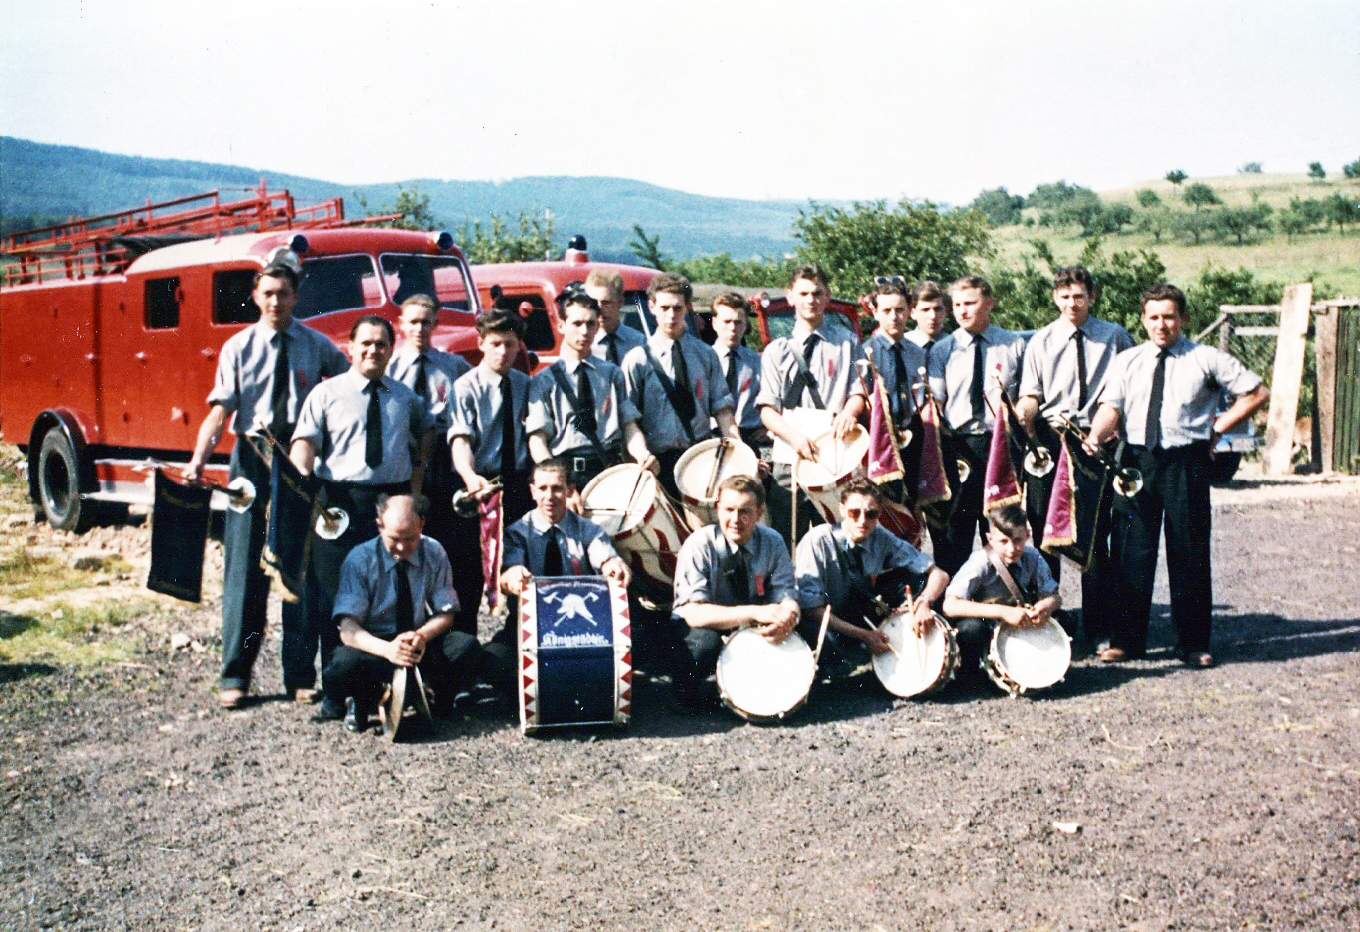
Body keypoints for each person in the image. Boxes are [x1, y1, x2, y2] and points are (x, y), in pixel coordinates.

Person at [183, 259, 348, 710]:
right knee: (244, 570)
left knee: (299, 572)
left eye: (285, 294)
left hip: (298, 464)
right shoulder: (237, 347)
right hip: (251, 463)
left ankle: (299, 675)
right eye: (268, 293)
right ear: (256, 297)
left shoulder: (318, 346)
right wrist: (199, 459)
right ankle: (235, 675)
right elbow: (220, 411)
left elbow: (348, 387)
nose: (276, 301)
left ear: (296, 297)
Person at [1086, 283, 1268, 668]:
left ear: (1183, 318)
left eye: (1169, 316)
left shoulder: (1206, 358)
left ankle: (1192, 643)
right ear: (1143, 320)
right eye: (1154, 317)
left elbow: (1255, 392)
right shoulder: (1128, 360)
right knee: (1130, 551)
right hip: (1136, 462)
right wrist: (1094, 435)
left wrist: (1218, 428)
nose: (1162, 324)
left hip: (1187, 462)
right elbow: (1111, 407)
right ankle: (1127, 640)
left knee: (1189, 551)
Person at [291, 315, 435, 711]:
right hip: (338, 503)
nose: (374, 350)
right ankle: (336, 690)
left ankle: (379, 687)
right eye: (366, 343)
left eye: (382, 344)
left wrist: (418, 472)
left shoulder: (404, 397)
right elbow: (304, 442)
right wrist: (301, 474)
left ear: (392, 350)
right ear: (350, 348)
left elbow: (428, 429)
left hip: (391, 502)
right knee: (333, 593)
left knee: (386, 590)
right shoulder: (326, 394)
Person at [1014, 266, 1134, 651]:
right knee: (1046, 533)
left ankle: (1099, 629)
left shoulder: (1115, 337)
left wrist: (1106, 430)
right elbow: (1032, 394)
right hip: (1050, 442)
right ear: (1054, 298)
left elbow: (1128, 388)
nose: (1071, 303)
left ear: (1091, 297)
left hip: (1095, 440)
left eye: (1078, 296)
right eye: (1064, 296)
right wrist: (1023, 414)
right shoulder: (1041, 341)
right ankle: (1051, 624)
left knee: (1095, 537)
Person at [317, 494, 482, 732]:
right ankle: (364, 699)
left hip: (415, 641)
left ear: (422, 525)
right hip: (376, 645)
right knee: (343, 663)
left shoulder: (434, 552)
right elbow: (348, 628)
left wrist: (422, 636)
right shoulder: (359, 559)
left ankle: (434, 696)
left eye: (411, 538)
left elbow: (446, 613)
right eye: (395, 539)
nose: (403, 547)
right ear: (379, 525)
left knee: (465, 646)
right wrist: (387, 650)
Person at [485, 459, 632, 689]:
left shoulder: (587, 529)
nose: (549, 496)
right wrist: (513, 574)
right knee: (493, 662)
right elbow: (506, 575)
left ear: (570, 491)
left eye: (557, 488)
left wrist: (611, 565)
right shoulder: (517, 532)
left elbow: (602, 554)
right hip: (530, 626)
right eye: (542, 488)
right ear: (532, 491)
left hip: (582, 627)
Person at [756, 264, 868, 548]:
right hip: (789, 454)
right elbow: (767, 409)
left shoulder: (847, 342)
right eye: (804, 293)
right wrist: (793, 437)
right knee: (785, 536)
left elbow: (859, 392)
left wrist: (849, 412)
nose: (811, 300)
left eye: (817, 293)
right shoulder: (776, 350)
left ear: (828, 296)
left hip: (835, 452)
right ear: (790, 296)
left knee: (835, 538)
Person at [671, 475, 801, 709]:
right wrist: (755, 613)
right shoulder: (698, 545)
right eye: (728, 509)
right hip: (706, 627)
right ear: (717, 509)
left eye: (745, 511)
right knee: (703, 647)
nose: (735, 520)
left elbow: (786, 594)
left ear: (760, 512)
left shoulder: (773, 542)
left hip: (752, 623)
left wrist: (787, 618)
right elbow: (694, 614)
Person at [926, 276, 1026, 575]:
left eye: (970, 303)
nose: (962, 311)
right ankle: (952, 608)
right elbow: (937, 404)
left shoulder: (1014, 345)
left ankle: (1002, 603)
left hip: (1000, 445)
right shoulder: (943, 350)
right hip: (958, 446)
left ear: (989, 303)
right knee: (954, 532)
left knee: (1000, 529)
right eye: (956, 305)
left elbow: (1024, 396)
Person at [386, 294, 474, 632]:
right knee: (408, 544)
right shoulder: (390, 367)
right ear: (401, 325)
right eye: (413, 322)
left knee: (453, 550)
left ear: (436, 324)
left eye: (427, 321)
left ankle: (458, 637)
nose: (420, 328)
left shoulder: (453, 367)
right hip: (404, 462)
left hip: (447, 461)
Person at [795, 478, 949, 668]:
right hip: (828, 622)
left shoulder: (881, 537)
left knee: (917, 581)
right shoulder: (818, 540)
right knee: (831, 657)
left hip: (859, 611)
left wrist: (924, 601)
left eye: (871, 514)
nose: (862, 521)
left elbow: (939, 574)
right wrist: (865, 636)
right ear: (841, 509)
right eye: (854, 513)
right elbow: (812, 609)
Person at [525, 287, 657, 494]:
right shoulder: (544, 381)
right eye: (577, 324)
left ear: (597, 327)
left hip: (609, 471)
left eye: (590, 324)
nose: (584, 331)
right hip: (566, 475)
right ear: (561, 326)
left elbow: (629, 426)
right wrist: (558, 485)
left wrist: (642, 453)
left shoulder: (612, 374)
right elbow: (537, 441)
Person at [621, 272, 738, 497]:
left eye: (677, 308)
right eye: (664, 308)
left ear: (687, 308)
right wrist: (641, 455)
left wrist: (738, 453)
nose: (671, 315)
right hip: (657, 462)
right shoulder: (637, 360)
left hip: (700, 458)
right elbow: (629, 421)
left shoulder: (706, 355)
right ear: (652, 307)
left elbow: (723, 411)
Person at [942, 504, 1061, 675]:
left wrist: (1047, 606)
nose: (1011, 549)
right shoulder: (980, 561)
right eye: (1003, 541)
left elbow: (1055, 597)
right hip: (987, 622)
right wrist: (1003, 612)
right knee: (970, 630)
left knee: (1063, 621)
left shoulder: (1033, 557)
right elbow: (950, 606)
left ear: (1027, 536)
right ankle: (972, 673)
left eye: (1018, 540)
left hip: (1020, 623)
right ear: (990, 539)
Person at [863, 278, 928, 435]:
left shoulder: (918, 353)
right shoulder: (866, 352)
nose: (894, 317)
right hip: (880, 431)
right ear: (875, 313)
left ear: (909, 311)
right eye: (886, 311)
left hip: (914, 429)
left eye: (899, 310)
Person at [709, 291, 767, 451]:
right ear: (714, 323)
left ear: (746, 324)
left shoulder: (757, 361)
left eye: (738, 322)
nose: (732, 328)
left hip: (750, 436)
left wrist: (767, 429)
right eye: (726, 322)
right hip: (713, 437)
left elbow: (772, 398)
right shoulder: (703, 360)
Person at [586, 269, 646, 366]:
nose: (599, 309)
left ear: (620, 302)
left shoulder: (638, 341)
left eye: (606, 303)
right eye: (593, 303)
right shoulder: (584, 342)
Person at [904, 280, 950, 371]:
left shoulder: (954, 346)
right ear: (913, 313)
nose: (933, 316)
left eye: (938, 309)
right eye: (925, 310)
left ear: (945, 311)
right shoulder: (903, 346)